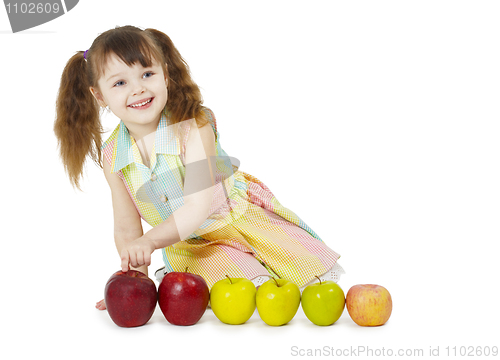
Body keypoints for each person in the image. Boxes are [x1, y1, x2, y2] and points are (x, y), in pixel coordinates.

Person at [54, 25, 345, 311]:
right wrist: (133, 286)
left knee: (303, 276)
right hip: (193, 244)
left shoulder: (194, 126)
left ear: (165, 75)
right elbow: (127, 228)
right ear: (99, 96)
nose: (138, 88)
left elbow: (197, 207)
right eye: (120, 83)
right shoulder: (114, 156)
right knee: (244, 290)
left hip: (238, 220)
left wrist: (150, 240)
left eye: (147, 74)